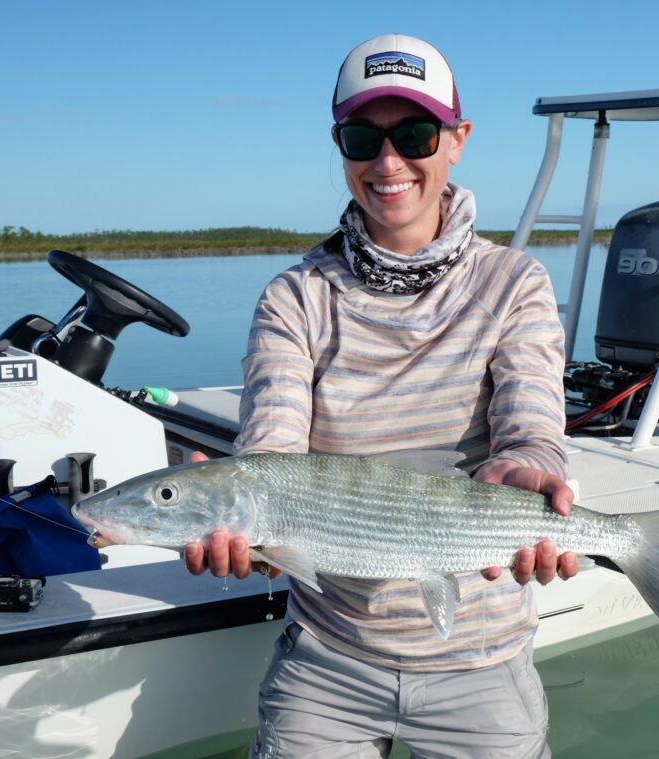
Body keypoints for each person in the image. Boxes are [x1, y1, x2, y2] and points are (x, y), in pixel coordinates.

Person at [185, 33, 579, 758]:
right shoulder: (294, 298)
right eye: (364, 136)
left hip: (483, 661)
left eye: (416, 134)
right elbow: (271, 444)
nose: (388, 162)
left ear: (457, 140)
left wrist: (529, 469)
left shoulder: (515, 282)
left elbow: (531, 425)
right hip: (328, 662)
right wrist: (244, 521)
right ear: (340, 145)